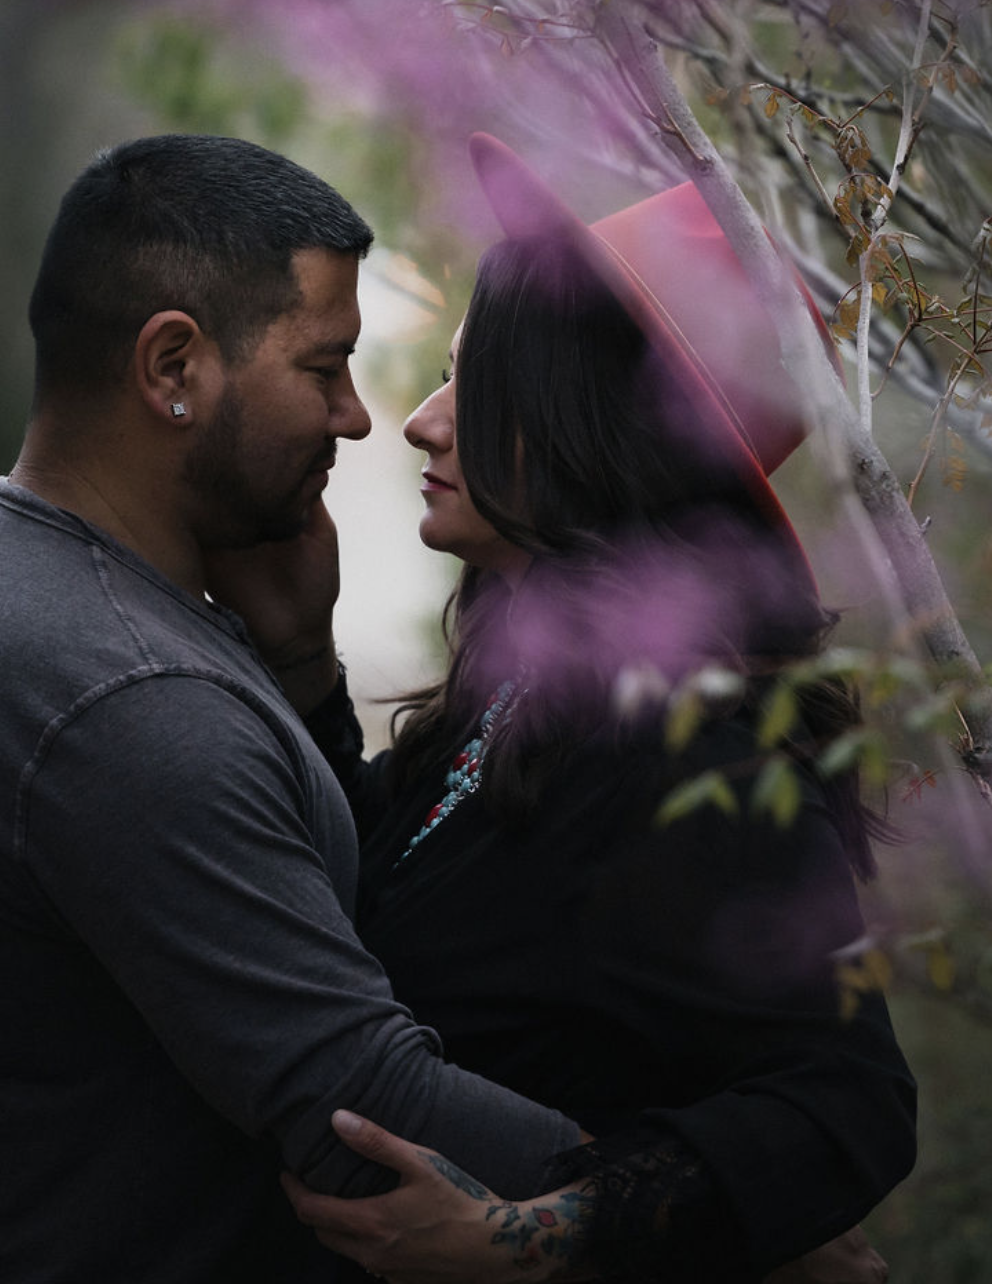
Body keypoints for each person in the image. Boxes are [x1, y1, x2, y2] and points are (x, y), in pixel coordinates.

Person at [0, 135, 599, 1283]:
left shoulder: (40, 583)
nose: (359, 419)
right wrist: (718, 1220)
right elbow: (363, 1105)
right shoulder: (116, 693)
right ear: (173, 366)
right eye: (324, 369)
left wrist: (296, 667)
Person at [263, 133, 918, 1281]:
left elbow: (846, 1105)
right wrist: (302, 657)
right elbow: (372, 899)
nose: (421, 420)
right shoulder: (514, 702)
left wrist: (528, 1239)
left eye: (475, 381)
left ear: (584, 426)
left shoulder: (687, 754)